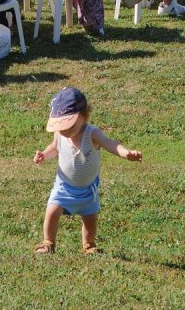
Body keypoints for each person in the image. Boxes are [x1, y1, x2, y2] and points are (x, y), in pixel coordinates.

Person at [33, 86, 142, 255]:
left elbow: (110, 144)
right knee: (52, 211)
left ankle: (89, 245)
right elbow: (54, 148)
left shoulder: (92, 134)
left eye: (68, 126)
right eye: (60, 127)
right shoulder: (60, 134)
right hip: (63, 186)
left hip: (88, 188)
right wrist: (44, 155)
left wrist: (126, 153)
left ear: (83, 117)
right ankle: (48, 242)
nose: (64, 130)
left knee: (90, 219)